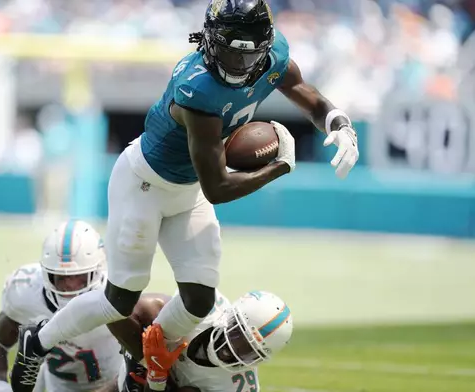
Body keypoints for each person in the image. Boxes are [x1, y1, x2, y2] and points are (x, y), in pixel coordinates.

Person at [24, 2, 358, 389]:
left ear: (265, 45)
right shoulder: (197, 87)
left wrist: (337, 120)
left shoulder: (275, 54)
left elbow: (306, 95)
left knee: (199, 299)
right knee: (119, 299)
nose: (239, 61)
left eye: (249, 51)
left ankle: (151, 358)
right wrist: (279, 167)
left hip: (187, 190)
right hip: (145, 184)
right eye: (231, 49)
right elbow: (217, 188)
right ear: (211, 40)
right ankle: (39, 341)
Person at [0, 220, 122, 392]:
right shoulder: (26, 292)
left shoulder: (114, 298)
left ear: (97, 272)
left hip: (113, 385)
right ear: (46, 273)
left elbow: (138, 364)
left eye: (78, 277)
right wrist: (0, 387)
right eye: (60, 277)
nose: (69, 285)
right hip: (54, 385)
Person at [99, 289, 293, 392]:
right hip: (153, 363)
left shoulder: (236, 387)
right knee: (126, 310)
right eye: (238, 335)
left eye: (250, 351)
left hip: (167, 385)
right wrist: (147, 357)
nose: (235, 350)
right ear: (229, 317)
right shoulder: (206, 309)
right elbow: (121, 311)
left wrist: (157, 377)